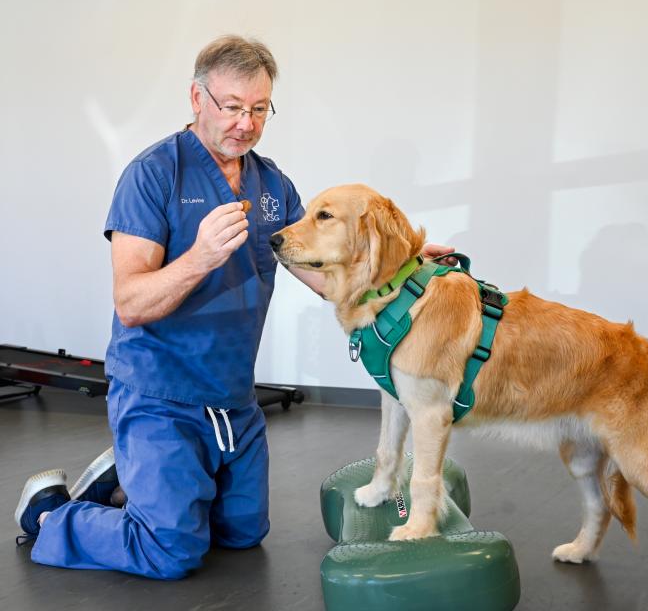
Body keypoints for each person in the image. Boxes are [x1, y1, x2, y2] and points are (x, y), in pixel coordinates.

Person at [14, 35, 455, 579]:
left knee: (243, 536)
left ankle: (131, 484)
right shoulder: (154, 174)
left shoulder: (272, 184)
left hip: (232, 402)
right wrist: (199, 257)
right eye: (231, 107)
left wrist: (406, 264)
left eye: (259, 109)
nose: (245, 123)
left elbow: (326, 280)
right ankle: (54, 514)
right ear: (197, 99)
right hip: (159, 396)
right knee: (172, 551)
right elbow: (129, 302)